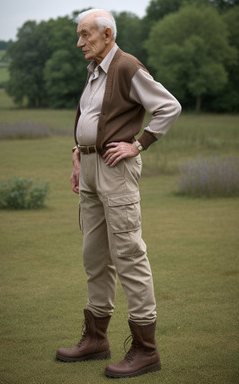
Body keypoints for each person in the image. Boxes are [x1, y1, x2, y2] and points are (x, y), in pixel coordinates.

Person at [56, 8, 181, 378]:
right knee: (94, 256)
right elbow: (91, 117)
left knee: (128, 254)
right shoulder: (95, 70)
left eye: (85, 35)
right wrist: (79, 154)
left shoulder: (127, 66)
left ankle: (147, 350)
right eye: (79, 36)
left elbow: (168, 107)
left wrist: (138, 145)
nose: (80, 43)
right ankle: (96, 339)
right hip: (92, 168)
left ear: (107, 35)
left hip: (116, 169)